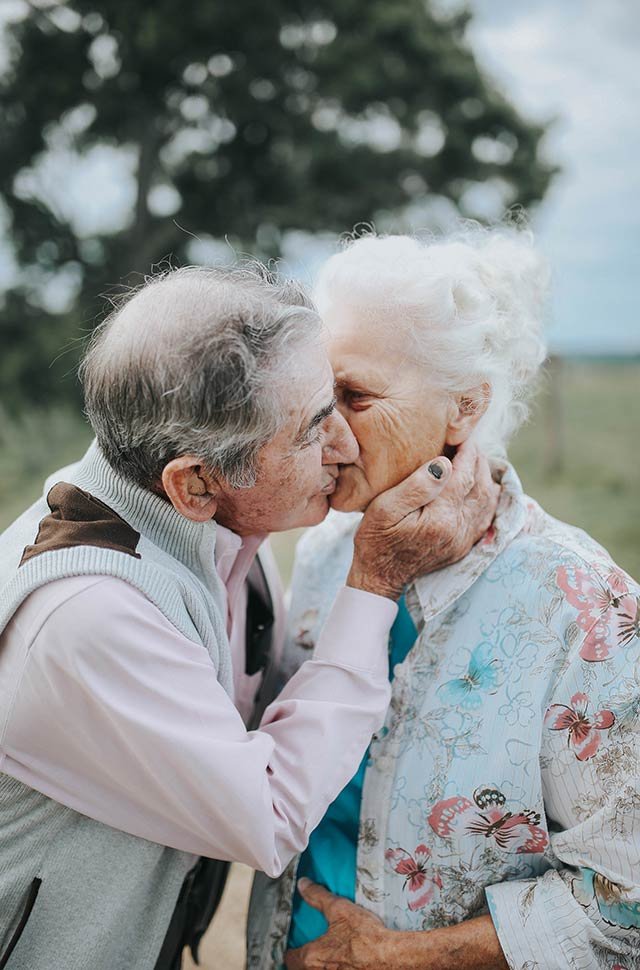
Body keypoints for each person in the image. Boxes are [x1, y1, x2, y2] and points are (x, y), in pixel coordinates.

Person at [0, 264, 496, 970]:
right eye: (310, 430)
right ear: (196, 483)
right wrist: (374, 583)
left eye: (339, 404)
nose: (345, 446)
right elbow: (265, 816)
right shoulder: (90, 616)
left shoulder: (214, 530)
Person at [248, 230, 640, 970]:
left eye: (354, 397)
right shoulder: (331, 552)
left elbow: (628, 899)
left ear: (465, 409)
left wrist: (395, 958)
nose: (322, 431)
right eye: (312, 397)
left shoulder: (588, 609)